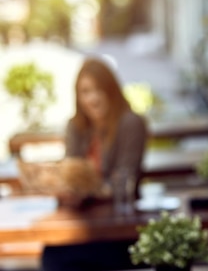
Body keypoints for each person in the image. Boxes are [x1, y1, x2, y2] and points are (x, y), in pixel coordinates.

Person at [41, 57, 148, 271]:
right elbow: (70, 173)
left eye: (99, 90)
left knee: (62, 259)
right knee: (52, 254)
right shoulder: (76, 127)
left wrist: (86, 190)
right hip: (81, 223)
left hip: (118, 227)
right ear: (77, 96)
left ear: (111, 91)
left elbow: (124, 180)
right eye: (85, 92)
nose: (93, 99)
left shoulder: (130, 123)